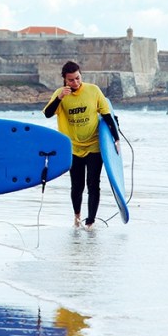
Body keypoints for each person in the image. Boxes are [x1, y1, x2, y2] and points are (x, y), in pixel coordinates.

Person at [43, 61, 120, 228]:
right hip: (73, 148)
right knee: (77, 186)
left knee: (94, 183)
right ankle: (77, 217)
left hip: (94, 145)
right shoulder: (60, 94)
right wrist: (59, 98)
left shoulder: (93, 90)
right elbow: (48, 114)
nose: (75, 83)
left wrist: (116, 139)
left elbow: (108, 116)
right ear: (64, 80)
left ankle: (90, 221)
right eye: (71, 80)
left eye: (78, 78)